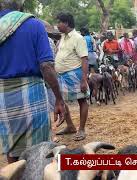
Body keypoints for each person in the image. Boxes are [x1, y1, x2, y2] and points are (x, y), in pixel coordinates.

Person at [0, 0, 65, 164]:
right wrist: (58, 98)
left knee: (12, 149)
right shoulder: (34, 25)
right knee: (40, 149)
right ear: (21, 5)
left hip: (3, 97)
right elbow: (47, 66)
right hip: (32, 93)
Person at [54, 12, 89, 141]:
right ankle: (70, 126)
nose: (57, 25)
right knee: (61, 101)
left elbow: (84, 59)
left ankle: (81, 130)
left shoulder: (78, 38)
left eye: (59, 22)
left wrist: (84, 80)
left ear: (66, 23)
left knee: (82, 100)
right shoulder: (62, 37)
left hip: (75, 74)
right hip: (62, 75)